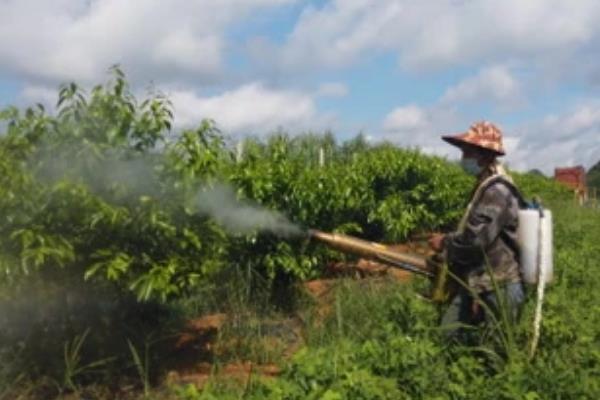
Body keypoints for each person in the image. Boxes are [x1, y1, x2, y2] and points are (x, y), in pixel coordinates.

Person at [428, 121, 525, 341]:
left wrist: (444, 242)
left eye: (467, 152)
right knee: (447, 336)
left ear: (483, 155)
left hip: (500, 285)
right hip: (480, 280)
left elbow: (475, 241)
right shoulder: (484, 184)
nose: (463, 157)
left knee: (495, 353)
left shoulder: (497, 191)